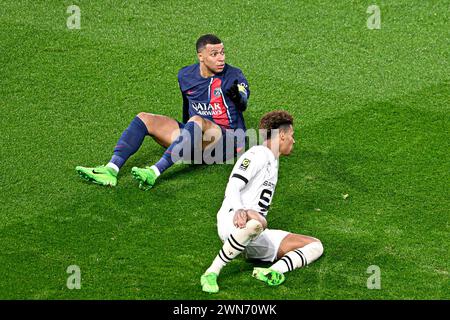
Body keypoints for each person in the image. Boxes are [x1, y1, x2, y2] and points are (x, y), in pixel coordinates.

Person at [76, 34, 250, 189]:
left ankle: (154, 172)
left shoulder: (234, 75)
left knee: (197, 120)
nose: (221, 58)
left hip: (227, 144)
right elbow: (187, 107)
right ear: (201, 57)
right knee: (144, 118)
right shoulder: (185, 75)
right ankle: (111, 169)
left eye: (222, 52)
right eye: (214, 54)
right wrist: (186, 135)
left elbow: (243, 100)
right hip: (197, 139)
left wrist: (238, 98)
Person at [200, 110, 324, 293]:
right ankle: (212, 271)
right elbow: (233, 184)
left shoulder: (273, 162)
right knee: (256, 222)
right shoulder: (258, 153)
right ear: (282, 135)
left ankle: (272, 271)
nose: (294, 140)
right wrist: (240, 210)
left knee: (315, 245)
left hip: (255, 233)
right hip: (232, 221)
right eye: (292, 135)